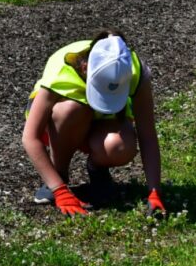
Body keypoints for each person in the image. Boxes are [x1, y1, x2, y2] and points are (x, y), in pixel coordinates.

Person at [22, 30, 165, 217]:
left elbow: (147, 135)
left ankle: (98, 170)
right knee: (70, 110)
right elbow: (30, 137)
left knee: (120, 146)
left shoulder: (133, 70)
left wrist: (154, 192)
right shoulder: (62, 72)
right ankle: (59, 175)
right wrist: (59, 190)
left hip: (102, 122)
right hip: (62, 125)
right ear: (85, 68)